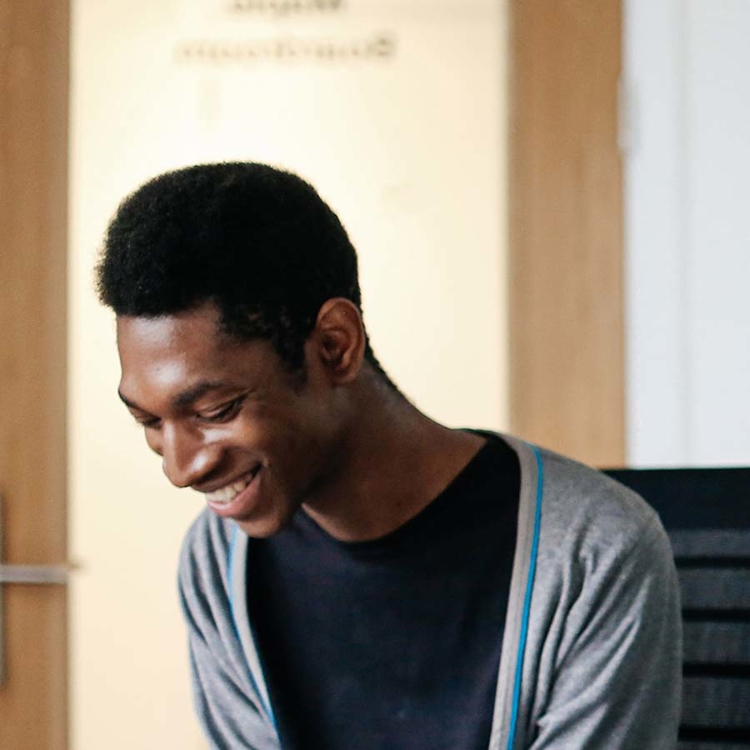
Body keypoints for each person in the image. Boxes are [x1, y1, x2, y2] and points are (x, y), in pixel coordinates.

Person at [97, 162, 682, 750]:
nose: (180, 468)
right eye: (148, 420)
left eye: (215, 410)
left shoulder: (592, 553)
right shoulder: (219, 561)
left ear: (334, 346)